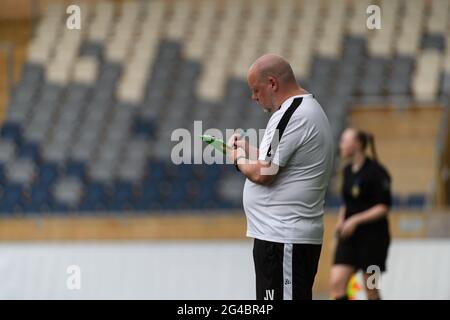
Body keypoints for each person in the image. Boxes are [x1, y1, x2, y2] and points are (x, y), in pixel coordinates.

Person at [228, 54, 334, 300]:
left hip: (284, 239)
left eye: (256, 90)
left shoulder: (292, 114)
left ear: (272, 83)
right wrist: (245, 148)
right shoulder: (302, 109)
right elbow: (274, 162)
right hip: (280, 239)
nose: (253, 97)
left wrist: (237, 159)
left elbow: (264, 173)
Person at [330, 128, 392, 300]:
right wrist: (341, 222)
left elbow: (384, 207)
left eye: (344, 140)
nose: (340, 145)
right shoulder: (347, 171)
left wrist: (355, 220)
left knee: (371, 289)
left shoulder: (377, 172)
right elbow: (347, 202)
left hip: (374, 240)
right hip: (350, 238)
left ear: (356, 144)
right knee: (337, 283)